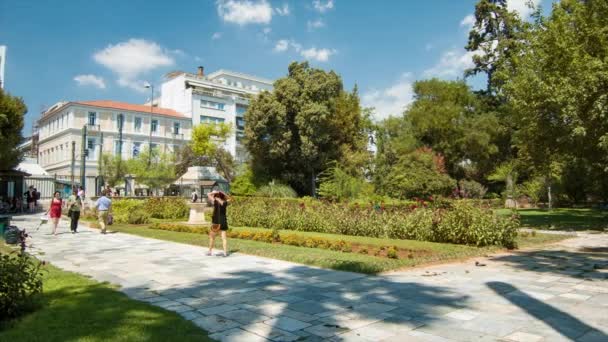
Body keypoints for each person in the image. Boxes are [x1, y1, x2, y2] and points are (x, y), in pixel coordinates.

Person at [206, 190, 230, 257]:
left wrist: (214, 192)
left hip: (216, 222)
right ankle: (225, 253)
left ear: (215, 196)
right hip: (223, 221)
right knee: (224, 238)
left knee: (212, 237)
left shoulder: (215, 201)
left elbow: (208, 194)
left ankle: (209, 251)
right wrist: (222, 193)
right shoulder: (225, 202)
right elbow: (229, 198)